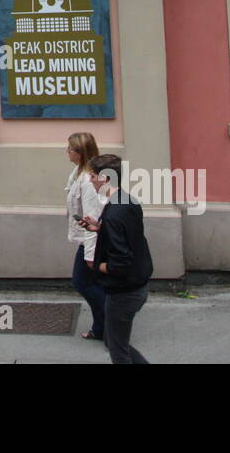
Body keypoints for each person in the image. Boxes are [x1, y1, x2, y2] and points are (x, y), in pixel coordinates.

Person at [82, 154, 153, 364]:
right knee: (116, 342)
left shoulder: (113, 213)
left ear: (105, 179)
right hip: (137, 285)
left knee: (117, 350)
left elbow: (120, 264)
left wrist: (98, 267)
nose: (90, 180)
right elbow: (127, 234)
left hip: (124, 293)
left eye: (93, 176)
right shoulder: (126, 200)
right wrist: (99, 228)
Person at [65, 131, 106, 341]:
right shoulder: (79, 173)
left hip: (91, 241)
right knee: (92, 283)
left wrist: (90, 254)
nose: (67, 152)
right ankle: (101, 327)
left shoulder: (89, 181)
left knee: (82, 282)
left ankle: (110, 322)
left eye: (70, 149)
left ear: (80, 153)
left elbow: (93, 218)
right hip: (86, 238)